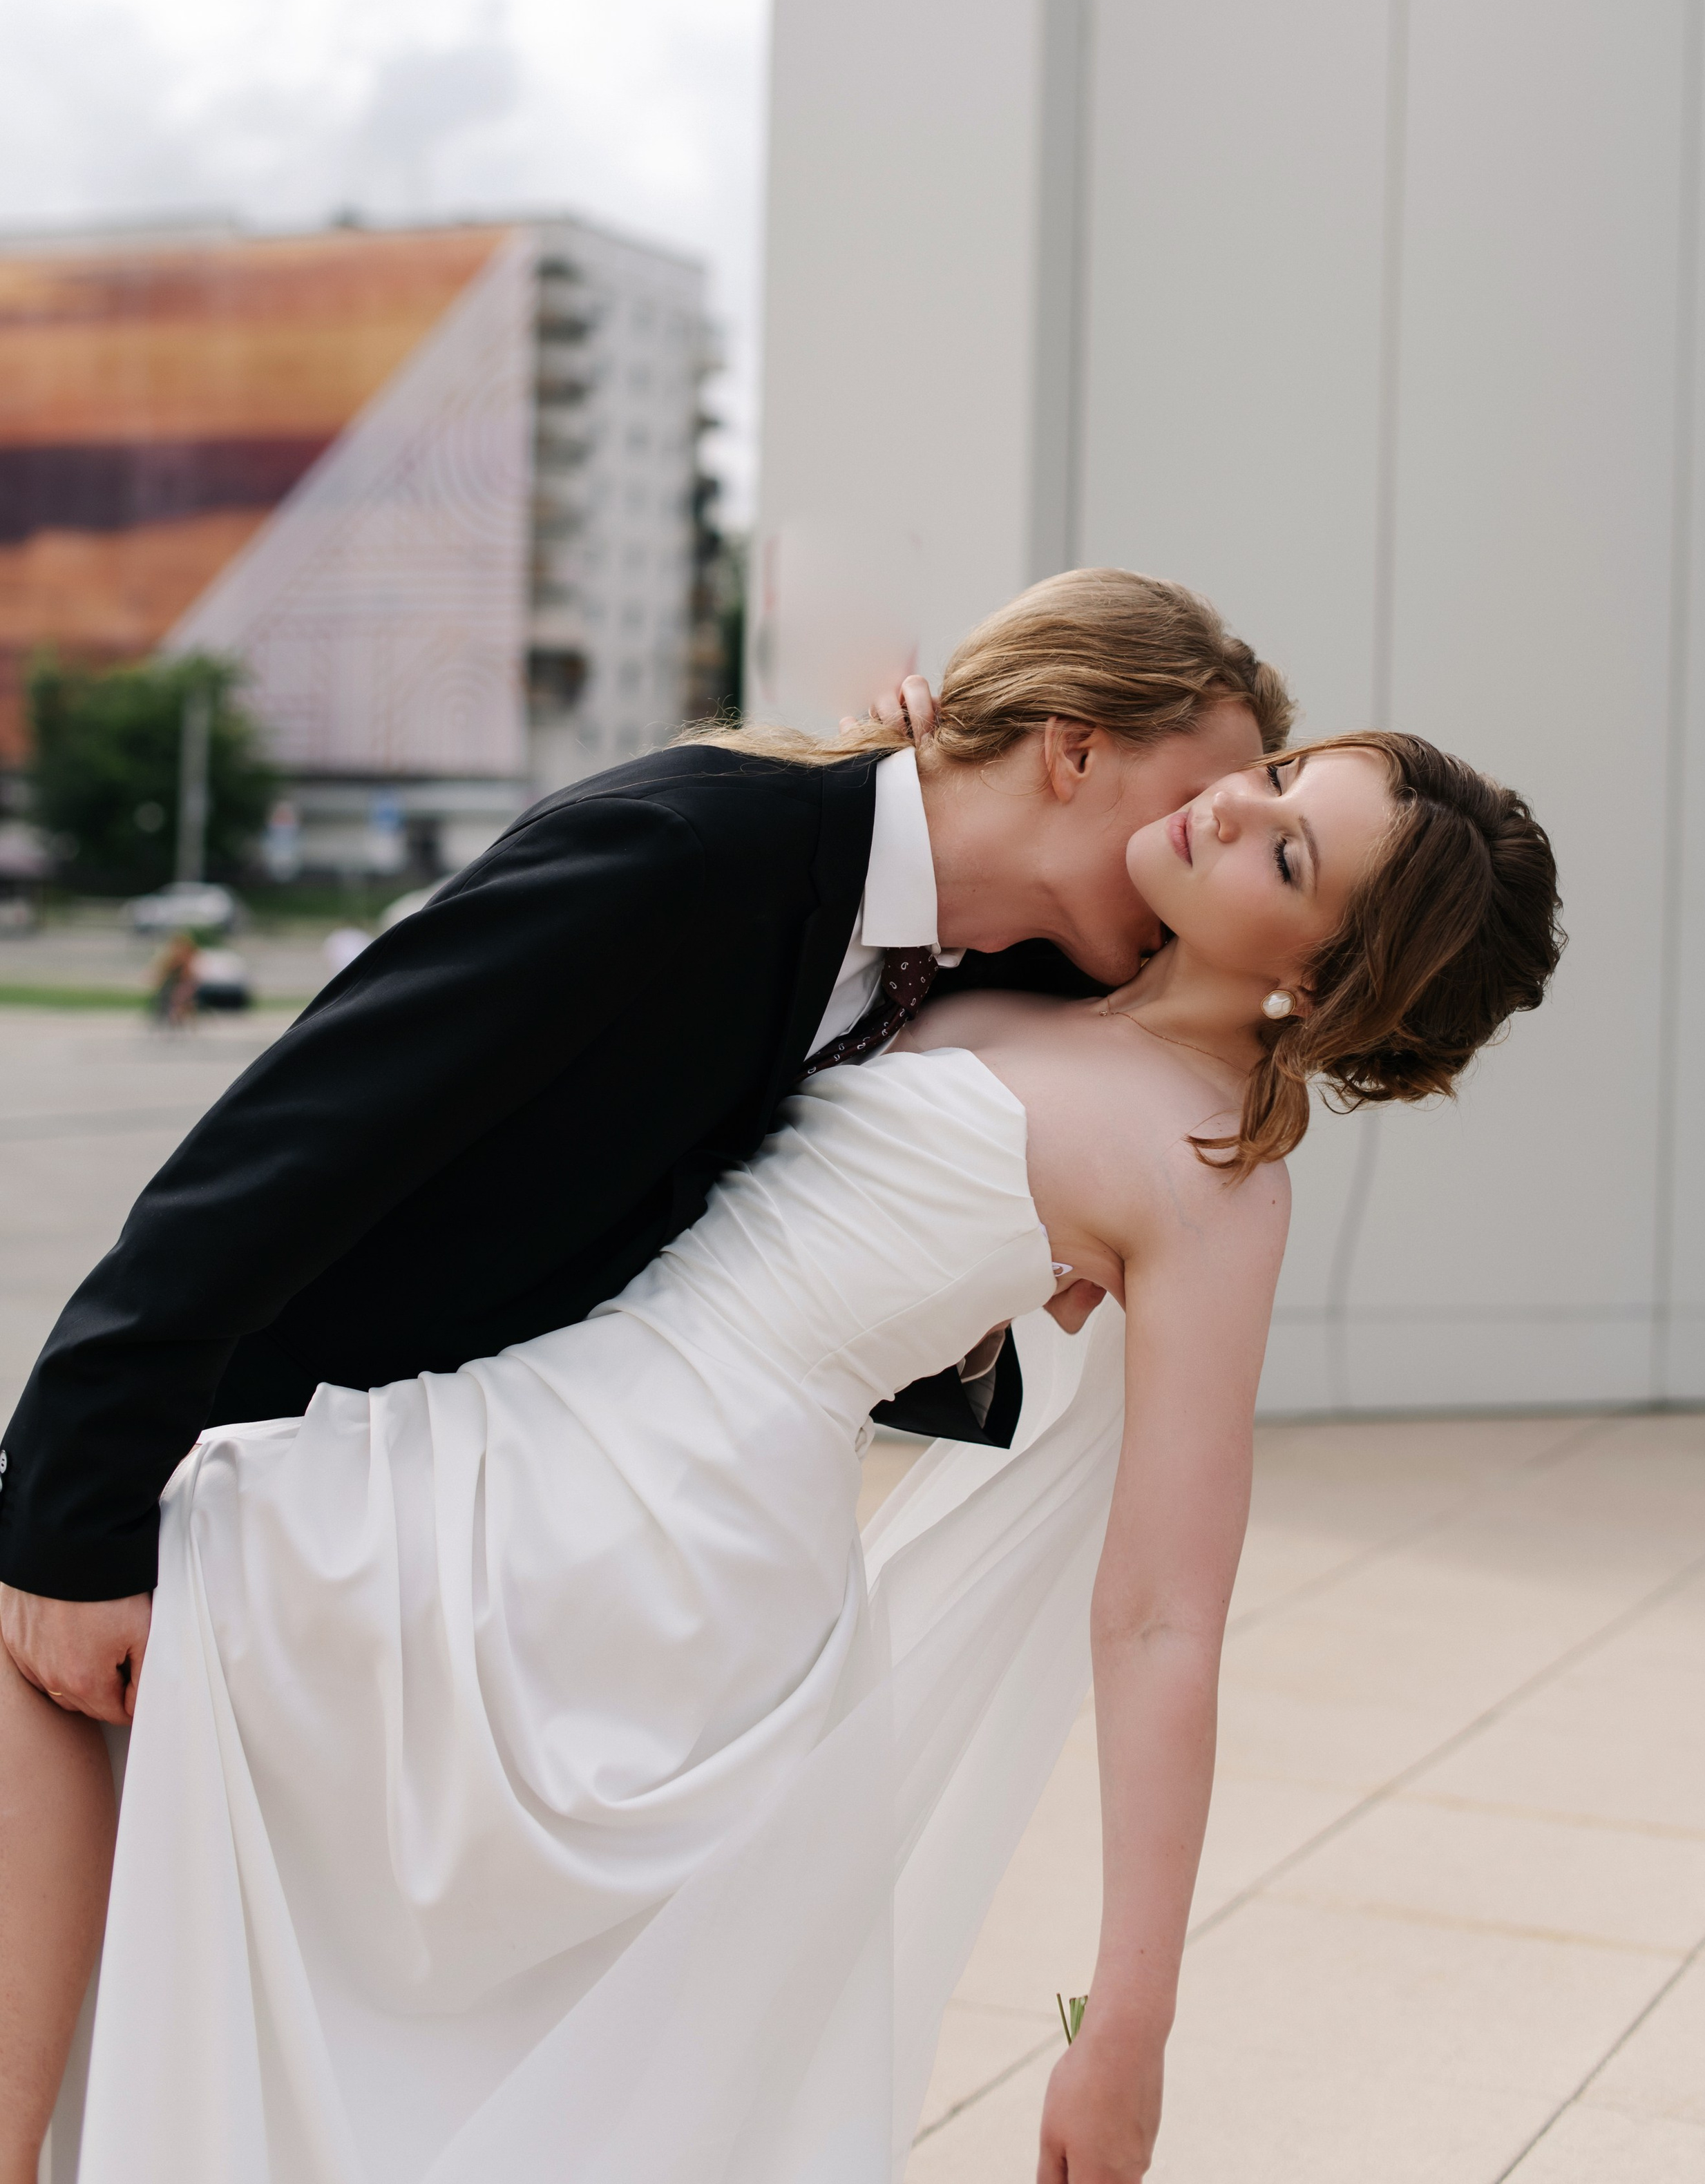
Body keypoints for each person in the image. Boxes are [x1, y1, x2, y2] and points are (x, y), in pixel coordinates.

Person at [0, 723, 1561, 2183]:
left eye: (1285, 855)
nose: (1230, 802)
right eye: (1275, 775)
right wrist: (926, 732)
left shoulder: (1210, 1178)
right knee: (95, 1611)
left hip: (655, 1530)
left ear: (1324, 990)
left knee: (93, 1591)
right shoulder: (1027, 967)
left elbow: (1161, 1615)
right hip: (573, 1430)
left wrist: (1122, 2021)